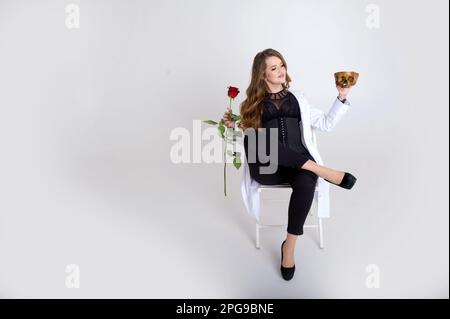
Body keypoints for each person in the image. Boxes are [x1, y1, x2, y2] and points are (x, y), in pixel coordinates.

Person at [222, 48, 357, 281]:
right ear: (262, 75)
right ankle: (323, 171)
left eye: (282, 65)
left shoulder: (299, 99)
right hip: (267, 168)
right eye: (274, 68)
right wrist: (234, 126)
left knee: (306, 182)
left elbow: (325, 123)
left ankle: (289, 248)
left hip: (298, 166)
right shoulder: (251, 105)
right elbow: (244, 142)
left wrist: (342, 96)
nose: (281, 71)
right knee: (258, 137)